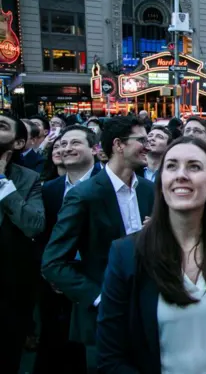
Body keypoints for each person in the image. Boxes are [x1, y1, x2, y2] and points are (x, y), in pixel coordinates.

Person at [96, 137, 206, 373]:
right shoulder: (126, 254)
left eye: (194, 166)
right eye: (171, 166)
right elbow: (110, 355)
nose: (181, 175)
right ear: (161, 182)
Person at [41, 116, 155, 373]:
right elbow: (53, 263)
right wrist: (99, 297)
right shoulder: (85, 195)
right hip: (103, 321)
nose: (147, 146)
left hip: (149, 312)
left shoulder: (150, 190)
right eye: (141, 140)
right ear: (118, 145)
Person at [35, 125, 102, 373]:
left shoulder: (106, 184)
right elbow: (43, 235)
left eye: (75, 143)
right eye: (62, 144)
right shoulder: (50, 189)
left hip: (94, 280)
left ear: (95, 149)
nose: (66, 148)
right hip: (56, 283)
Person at [0, 114, 45, 373]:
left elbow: (34, 224)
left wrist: (3, 183)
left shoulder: (28, 178)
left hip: (12, 285)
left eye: (2, 126)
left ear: (18, 143)